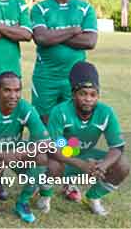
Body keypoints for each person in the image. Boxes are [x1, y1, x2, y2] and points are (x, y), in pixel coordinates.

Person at [37, 61, 129, 216]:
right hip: (64, 157)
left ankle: (93, 198)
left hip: (87, 156)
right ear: (73, 95)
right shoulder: (60, 111)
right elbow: (52, 149)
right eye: (83, 94)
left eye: (93, 94)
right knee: (51, 164)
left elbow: (117, 147)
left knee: (123, 165)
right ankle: (45, 197)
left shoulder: (106, 112)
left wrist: (103, 166)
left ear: (98, 96)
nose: (88, 99)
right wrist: (81, 164)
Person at [0, 72, 50, 223]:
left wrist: (20, 152)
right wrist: (2, 155)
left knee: (42, 158)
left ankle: (23, 202)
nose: (13, 95)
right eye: (7, 90)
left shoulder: (25, 108)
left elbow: (45, 142)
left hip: (15, 151)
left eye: (17, 90)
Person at [31, 0, 98, 124]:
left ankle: (67, 149)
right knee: (44, 121)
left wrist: (52, 34)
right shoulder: (40, 8)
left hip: (75, 76)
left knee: (71, 121)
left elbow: (90, 41)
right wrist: (73, 31)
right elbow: (41, 39)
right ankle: (50, 149)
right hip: (45, 76)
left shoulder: (85, 8)